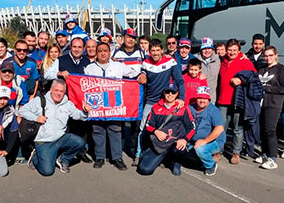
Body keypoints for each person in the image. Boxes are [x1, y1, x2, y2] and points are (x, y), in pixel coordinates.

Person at [84, 42, 145, 170]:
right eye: (99, 50)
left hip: (114, 107)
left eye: (105, 50)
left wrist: (142, 75)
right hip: (98, 107)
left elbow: (133, 74)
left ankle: (117, 158)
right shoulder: (89, 68)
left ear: (109, 52)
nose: (102, 53)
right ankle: (99, 157)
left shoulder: (118, 66)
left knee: (115, 131)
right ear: (96, 52)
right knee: (98, 131)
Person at [19, 79, 91, 176]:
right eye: (56, 90)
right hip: (44, 141)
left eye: (61, 91)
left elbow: (79, 116)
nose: (58, 94)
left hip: (60, 138)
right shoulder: (40, 101)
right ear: (51, 90)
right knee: (47, 171)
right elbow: (22, 111)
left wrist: (85, 111)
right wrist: (36, 118)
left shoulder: (67, 104)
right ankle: (35, 157)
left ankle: (63, 159)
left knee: (80, 142)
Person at [135, 39, 185, 166]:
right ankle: (139, 153)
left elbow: (180, 81)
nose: (155, 53)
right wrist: (142, 74)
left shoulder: (170, 61)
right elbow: (142, 75)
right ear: (149, 51)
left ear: (162, 50)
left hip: (166, 101)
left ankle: (165, 155)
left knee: (168, 129)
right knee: (143, 128)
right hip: (151, 101)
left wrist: (182, 98)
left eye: (158, 50)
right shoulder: (145, 63)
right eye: (153, 50)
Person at [44, 37, 92, 163]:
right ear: (70, 47)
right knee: (66, 126)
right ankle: (62, 152)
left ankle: (81, 151)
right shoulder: (61, 60)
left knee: (82, 126)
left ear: (83, 49)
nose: (77, 49)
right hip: (64, 99)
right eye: (74, 47)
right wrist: (59, 73)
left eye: (80, 47)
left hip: (81, 99)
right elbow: (47, 74)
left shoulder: (87, 61)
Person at [137, 83, 195, 176]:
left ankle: (175, 162)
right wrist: (155, 131)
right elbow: (148, 125)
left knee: (181, 149)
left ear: (177, 94)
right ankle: (160, 158)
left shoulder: (183, 108)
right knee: (144, 170)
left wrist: (185, 139)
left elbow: (192, 127)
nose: (170, 94)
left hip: (175, 142)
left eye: (173, 92)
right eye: (168, 92)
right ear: (164, 93)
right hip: (160, 143)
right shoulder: (156, 107)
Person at [217, 38, 256, 164]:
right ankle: (218, 151)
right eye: (229, 50)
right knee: (221, 127)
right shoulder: (222, 60)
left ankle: (236, 153)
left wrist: (241, 80)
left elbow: (254, 76)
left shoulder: (244, 61)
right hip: (223, 100)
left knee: (237, 129)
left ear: (239, 50)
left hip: (237, 101)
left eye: (234, 50)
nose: (232, 52)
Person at [257, 46, 284, 170]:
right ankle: (264, 153)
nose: (268, 58)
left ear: (276, 55)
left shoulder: (281, 70)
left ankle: (273, 158)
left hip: (273, 104)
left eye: (270, 55)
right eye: (266, 56)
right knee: (262, 131)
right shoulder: (262, 69)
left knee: (270, 130)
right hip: (261, 104)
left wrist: (267, 88)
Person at [187, 86, 224, 176]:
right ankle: (200, 160)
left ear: (209, 99)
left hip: (214, 141)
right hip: (193, 140)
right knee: (181, 149)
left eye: (205, 98)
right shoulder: (191, 107)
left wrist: (205, 140)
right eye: (200, 98)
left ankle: (211, 165)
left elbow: (219, 128)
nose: (202, 100)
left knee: (200, 149)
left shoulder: (213, 111)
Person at [196, 37, 220, 102]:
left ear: (212, 49)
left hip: (212, 98)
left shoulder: (218, 59)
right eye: (204, 49)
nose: (207, 51)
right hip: (198, 98)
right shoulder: (194, 58)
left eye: (209, 48)